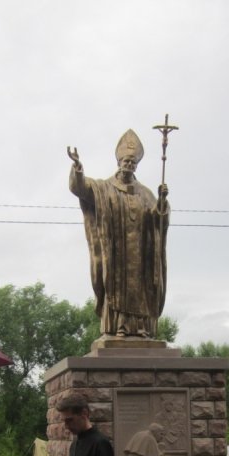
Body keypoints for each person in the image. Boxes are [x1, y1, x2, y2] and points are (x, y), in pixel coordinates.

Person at [68, 129, 169, 338]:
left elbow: (157, 220)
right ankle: (118, 327)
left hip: (140, 256)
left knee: (140, 290)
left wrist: (161, 202)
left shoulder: (146, 193)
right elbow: (81, 189)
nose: (129, 165)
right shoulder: (104, 188)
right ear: (119, 162)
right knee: (117, 289)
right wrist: (78, 168)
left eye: (133, 162)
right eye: (126, 161)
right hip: (116, 253)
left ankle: (141, 328)